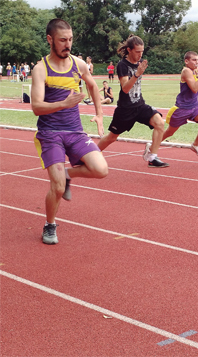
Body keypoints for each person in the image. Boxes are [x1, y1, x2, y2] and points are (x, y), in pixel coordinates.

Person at [31, 18, 108, 245]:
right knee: (57, 187)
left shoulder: (78, 64)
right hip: (50, 133)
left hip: (74, 131)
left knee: (101, 169)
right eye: (63, 40)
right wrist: (64, 104)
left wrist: (99, 113)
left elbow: (93, 86)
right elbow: (36, 107)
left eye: (71, 39)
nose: (68, 44)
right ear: (50, 40)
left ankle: (68, 173)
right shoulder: (40, 69)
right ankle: (50, 224)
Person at [98, 35, 169, 168]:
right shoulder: (122, 65)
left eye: (142, 51)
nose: (140, 55)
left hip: (140, 105)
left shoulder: (140, 62)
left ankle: (152, 157)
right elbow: (125, 89)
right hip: (125, 109)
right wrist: (137, 74)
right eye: (137, 51)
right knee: (112, 137)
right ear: (129, 50)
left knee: (159, 122)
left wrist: (139, 71)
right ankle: (93, 154)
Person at [162, 51, 198, 157]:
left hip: (194, 106)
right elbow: (194, 89)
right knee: (169, 132)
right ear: (186, 61)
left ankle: (196, 144)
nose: (196, 62)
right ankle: (153, 144)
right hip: (182, 108)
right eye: (194, 60)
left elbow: (196, 72)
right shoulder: (186, 71)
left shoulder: (195, 70)